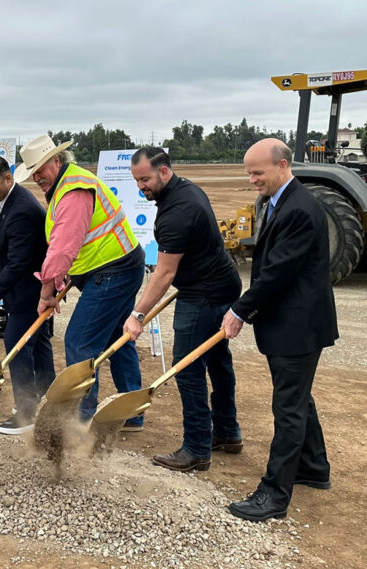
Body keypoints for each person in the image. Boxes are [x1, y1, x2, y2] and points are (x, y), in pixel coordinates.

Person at [221, 138, 337, 522]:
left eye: (258, 172)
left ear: (282, 166)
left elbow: (278, 272)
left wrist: (240, 309)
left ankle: (274, 495)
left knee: (287, 408)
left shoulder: (299, 208)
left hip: (297, 325)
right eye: (249, 173)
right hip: (292, 323)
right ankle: (314, 467)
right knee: (298, 398)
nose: (252, 180)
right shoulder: (279, 202)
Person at [124, 148, 243, 472]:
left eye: (145, 179)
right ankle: (228, 433)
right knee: (218, 361)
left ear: (164, 172)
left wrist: (137, 316)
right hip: (223, 284)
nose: (141, 187)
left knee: (187, 368)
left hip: (203, 294)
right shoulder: (187, 189)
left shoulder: (177, 211)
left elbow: (163, 274)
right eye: (137, 180)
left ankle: (196, 448)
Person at [17, 134, 146, 431]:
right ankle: (132, 412)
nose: (37, 177)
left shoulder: (74, 190)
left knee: (79, 341)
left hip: (113, 270)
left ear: (56, 161)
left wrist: (46, 293)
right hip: (114, 267)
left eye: (41, 168)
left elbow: (62, 249)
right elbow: (80, 246)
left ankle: (83, 417)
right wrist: (68, 280)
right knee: (118, 339)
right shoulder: (66, 184)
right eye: (33, 171)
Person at [0, 156, 54, 434]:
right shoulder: (9, 203)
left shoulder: (21, 210)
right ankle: (49, 404)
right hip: (26, 290)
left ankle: (27, 412)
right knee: (38, 344)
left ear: (8, 178)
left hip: (29, 292)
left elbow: (18, 264)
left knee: (16, 343)